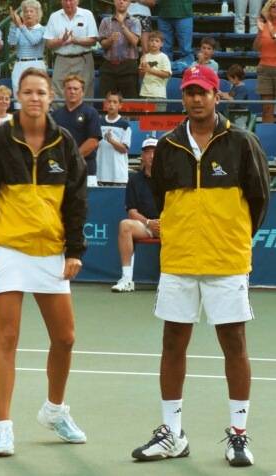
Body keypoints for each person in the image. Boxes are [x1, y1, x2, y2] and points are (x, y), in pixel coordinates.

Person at [131, 65, 270, 466]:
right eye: (189, 92)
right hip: (178, 261)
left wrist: (231, 235)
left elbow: (258, 199)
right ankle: (172, 433)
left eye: (202, 92)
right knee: (173, 343)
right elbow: (162, 200)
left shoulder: (242, 142)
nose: (195, 98)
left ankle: (239, 434)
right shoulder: (169, 147)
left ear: (216, 96)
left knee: (234, 343)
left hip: (226, 261)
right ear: (184, 97)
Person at [0, 67, 88, 456]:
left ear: (51, 98)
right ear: (18, 96)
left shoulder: (64, 141)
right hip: (8, 251)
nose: (35, 98)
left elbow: (76, 199)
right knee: (7, 338)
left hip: (50, 252)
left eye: (41, 92)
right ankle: (3, 427)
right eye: (28, 92)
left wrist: (74, 250)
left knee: (65, 338)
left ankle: (54, 410)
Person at [111, 137, 159, 292]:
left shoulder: (171, 177)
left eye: (155, 152)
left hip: (169, 225)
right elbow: (132, 212)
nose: (152, 156)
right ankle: (126, 279)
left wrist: (164, 223)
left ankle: (172, 281)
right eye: (148, 152)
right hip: (146, 226)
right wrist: (149, 223)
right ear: (143, 156)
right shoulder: (134, 180)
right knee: (125, 225)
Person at [52, 74, 101, 186]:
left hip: (86, 169)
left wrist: (73, 158)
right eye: (69, 88)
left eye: (76, 89)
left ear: (82, 92)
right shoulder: (55, 115)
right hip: (61, 171)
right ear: (64, 91)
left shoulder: (91, 113)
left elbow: (93, 142)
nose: (72, 91)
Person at [43, 0, 98, 100]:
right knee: (57, 92)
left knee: (85, 92)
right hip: (62, 59)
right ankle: (60, 115)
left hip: (83, 59)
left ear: (78, 1)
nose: (68, 3)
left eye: (71, 0)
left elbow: (93, 40)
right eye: (65, 0)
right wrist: (61, 40)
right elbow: (48, 44)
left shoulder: (87, 14)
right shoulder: (54, 17)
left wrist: (75, 40)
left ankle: (84, 116)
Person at [98, 0, 141, 98]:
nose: (121, 2)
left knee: (130, 102)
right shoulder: (105, 21)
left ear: (129, 3)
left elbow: (135, 41)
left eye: (125, 0)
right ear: (114, 2)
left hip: (128, 66)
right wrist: (110, 40)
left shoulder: (135, 21)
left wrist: (122, 25)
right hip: (109, 66)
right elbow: (102, 44)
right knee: (106, 102)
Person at [8, 0, 46, 108]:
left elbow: (34, 41)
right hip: (19, 65)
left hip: (36, 64)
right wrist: (13, 25)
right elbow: (12, 42)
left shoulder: (42, 29)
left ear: (37, 14)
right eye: (25, 11)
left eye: (31, 11)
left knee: (36, 93)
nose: (28, 13)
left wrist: (20, 26)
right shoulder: (19, 28)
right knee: (19, 94)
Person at [96, 90, 132, 186]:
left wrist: (111, 141)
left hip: (118, 176)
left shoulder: (125, 125)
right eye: (109, 101)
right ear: (105, 104)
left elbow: (124, 149)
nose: (111, 104)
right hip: (101, 174)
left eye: (115, 102)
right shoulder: (98, 123)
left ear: (120, 105)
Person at [155, 0, 194, 74]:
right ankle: (168, 68)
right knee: (164, 49)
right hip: (164, 13)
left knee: (185, 49)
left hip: (184, 13)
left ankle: (183, 70)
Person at [254, 0, 276, 122]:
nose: (274, 8)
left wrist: (268, 24)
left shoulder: (268, 25)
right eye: (272, 6)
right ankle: (267, 138)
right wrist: (260, 32)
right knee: (267, 108)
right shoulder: (264, 26)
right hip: (264, 69)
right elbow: (256, 47)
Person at [139, 31, 172, 112]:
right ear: (148, 42)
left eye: (157, 41)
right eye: (152, 40)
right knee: (144, 121)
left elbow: (167, 74)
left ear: (161, 44)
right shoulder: (144, 57)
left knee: (158, 121)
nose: (154, 43)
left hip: (159, 95)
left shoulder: (164, 57)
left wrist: (150, 70)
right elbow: (141, 76)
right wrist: (142, 68)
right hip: (145, 94)